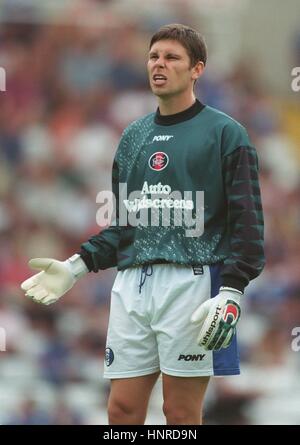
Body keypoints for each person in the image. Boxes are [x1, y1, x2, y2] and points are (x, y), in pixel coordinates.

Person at [20, 24, 265, 425]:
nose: (159, 65)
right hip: (132, 286)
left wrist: (233, 290)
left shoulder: (226, 133)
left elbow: (249, 224)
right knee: (121, 411)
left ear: (197, 69)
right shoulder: (133, 137)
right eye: (154, 57)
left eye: (172, 58)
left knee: (180, 413)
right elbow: (126, 227)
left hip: (193, 284)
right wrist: (74, 267)